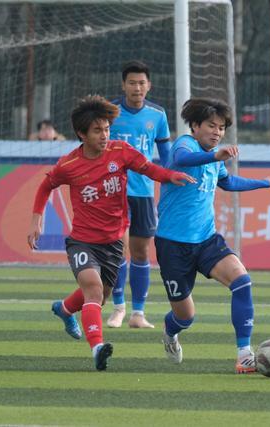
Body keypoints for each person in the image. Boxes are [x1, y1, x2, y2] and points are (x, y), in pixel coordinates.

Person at [27, 95, 194, 371]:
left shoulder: (121, 151)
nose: (104, 135)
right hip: (82, 241)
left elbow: (148, 168)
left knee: (101, 295)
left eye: (106, 129)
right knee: (93, 290)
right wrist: (36, 219)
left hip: (114, 242)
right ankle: (97, 348)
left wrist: (169, 176)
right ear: (82, 134)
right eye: (97, 131)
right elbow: (46, 186)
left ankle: (65, 309)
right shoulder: (70, 165)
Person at [155, 97, 270, 374]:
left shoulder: (214, 156)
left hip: (206, 239)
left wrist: (264, 183)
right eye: (211, 126)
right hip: (172, 245)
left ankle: (244, 355)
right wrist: (216, 156)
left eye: (222, 127)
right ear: (195, 126)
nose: (217, 132)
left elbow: (228, 182)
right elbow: (182, 159)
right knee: (185, 317)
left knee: (242, 281)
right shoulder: (185, 145)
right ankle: (170, 332)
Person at [106, 60, 171, 329]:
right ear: (123, 85)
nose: (137, 87)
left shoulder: (158, 115)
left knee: (141, 252)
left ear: (149, 85)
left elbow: (166, 156)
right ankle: (118, 308)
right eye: (132, 82)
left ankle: (138, 313)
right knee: (118, 248)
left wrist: (170, 178)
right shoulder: (110, 112)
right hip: (115, 191)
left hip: (143, 192)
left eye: (141, 83)